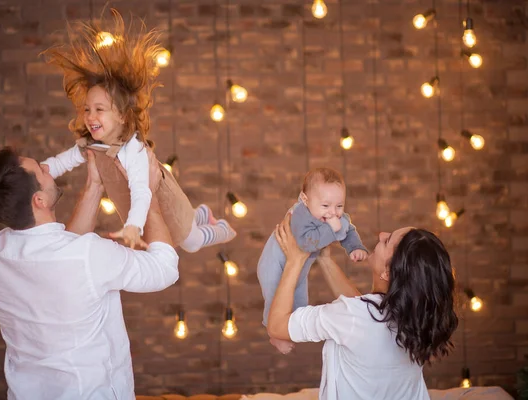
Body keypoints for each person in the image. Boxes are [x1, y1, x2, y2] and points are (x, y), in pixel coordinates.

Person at [0, 146, 178, 399]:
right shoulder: (86, 255)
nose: (48, 168)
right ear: (40, 200)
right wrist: (148, 193)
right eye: (41, 169)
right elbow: (164, 268)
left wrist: (94, 185)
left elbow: (64, 251)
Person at [40, 8, 235, 252]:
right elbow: (62, 162)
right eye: (87, 109)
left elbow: (142, 191)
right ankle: (201, 213)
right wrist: (43, 169)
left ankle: (222, 229)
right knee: (176, 234)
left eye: (100, 109)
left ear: (121, 115)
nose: (90, 117)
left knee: (190, 242)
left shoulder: (133, 150)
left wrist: (134, 225)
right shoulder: (90, 145)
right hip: (141, 208)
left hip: (163, 201)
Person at [267, 213, 458, 400]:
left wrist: (295, 260)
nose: (381, 234)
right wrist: (324, 258)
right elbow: (364, 324)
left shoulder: (355, 317)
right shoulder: (415, 317)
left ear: (388, 272)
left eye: (387, 240)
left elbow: (276, 326)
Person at [257, 167, 368, 354]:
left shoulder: (333, 217)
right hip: (273, 264)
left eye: (339, 206)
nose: (333, 212)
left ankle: (288, 330)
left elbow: (348, 230)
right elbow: (307, 243)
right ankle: (274, 334)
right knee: (275, 299)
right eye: (325, 206)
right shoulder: (300, 214)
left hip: (298, 269)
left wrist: (355, 247)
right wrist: (333, 229)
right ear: (305, 199)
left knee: (300, 304)